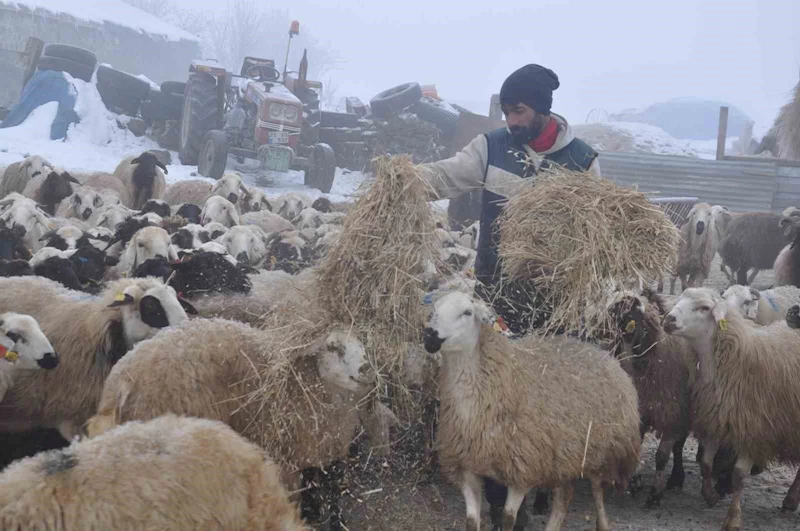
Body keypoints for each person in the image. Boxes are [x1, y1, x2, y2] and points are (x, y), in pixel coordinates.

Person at [418, 63, 600, 530]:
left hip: (553, 298)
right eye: (505, 111)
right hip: (495, 295)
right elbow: (449, 176)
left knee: (541, 394)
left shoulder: (583, 161)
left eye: (518, 111)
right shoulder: (493, 146)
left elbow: (598, 230)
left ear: (541, 109)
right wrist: (406, 181)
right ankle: (501, 498)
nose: (511, 121)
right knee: (492, 390)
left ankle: (538, 483)